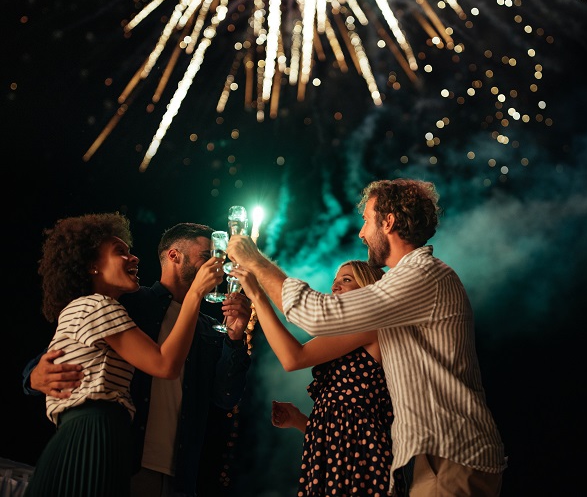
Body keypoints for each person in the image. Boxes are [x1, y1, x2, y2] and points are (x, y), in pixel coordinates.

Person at [227, 178, 507, 496]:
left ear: (388, 222)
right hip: (440, 458)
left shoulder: (421, 276)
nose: (361, 233)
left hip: (451, 458)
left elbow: (315, 316)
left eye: (366, 220)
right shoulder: (410, 280)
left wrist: (255, 260)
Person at [23, 222, 253, 497]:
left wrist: (235, 337)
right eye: (206, 257)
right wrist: (32, 376)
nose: (215, 265)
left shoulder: (205, 327)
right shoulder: (127, 303)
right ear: (173, 255)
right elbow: (62, 351)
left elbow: (225, 396)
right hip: (123, 457)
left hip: (180, 472)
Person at [235, 260, 395, 495]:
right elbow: (343, 424)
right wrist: (299, 420)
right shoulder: (350, 334)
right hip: (334, 457)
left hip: (359, 459)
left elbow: (293, 358)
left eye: (347, 280)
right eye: (335, 281)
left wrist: (258, 296)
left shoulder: (370, 324)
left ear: (369, 289)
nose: (335, 287)